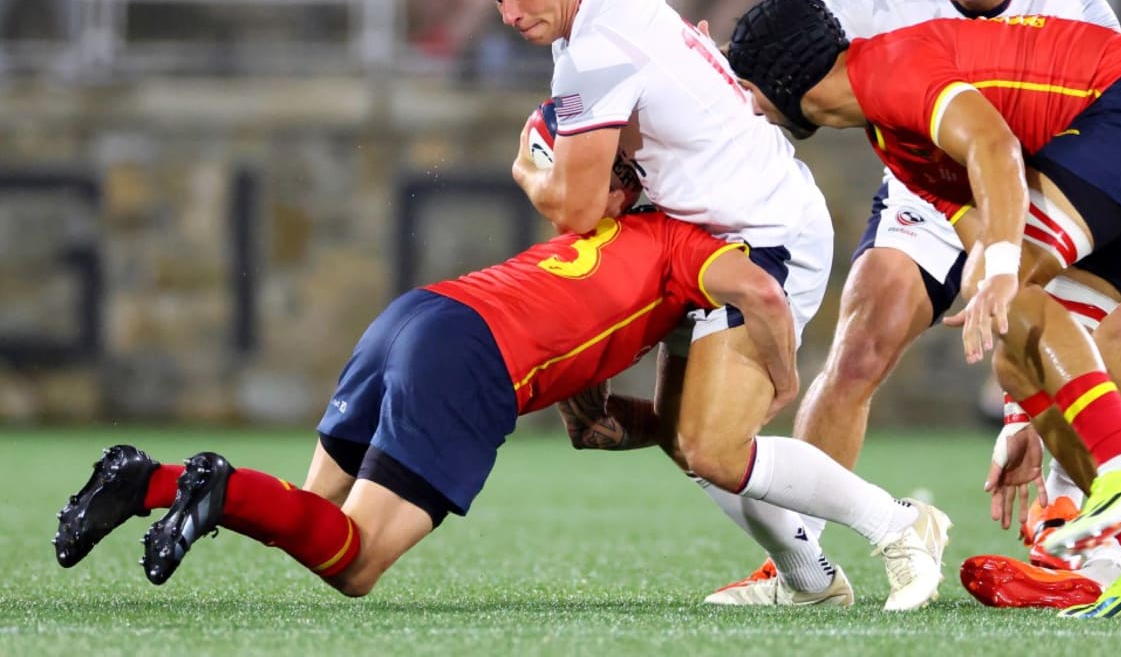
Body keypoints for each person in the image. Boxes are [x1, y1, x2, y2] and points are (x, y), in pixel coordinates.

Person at [54, 191, 945, 605]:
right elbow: (752, 289)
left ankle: (156, 479)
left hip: (415, 315)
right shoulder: (687, 243)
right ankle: (208, 483)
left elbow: (606, 414)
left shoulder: (599, 232)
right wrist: (784, 378)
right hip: (467, 360)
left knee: (311, 513)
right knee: (356, 565)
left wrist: (636, 420)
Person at [696, 0, 1121, 608]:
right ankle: (800, 563)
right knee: (859, 344)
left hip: (1031, 182)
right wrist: (707, 69)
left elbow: (1082, 129)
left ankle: (1069, 506)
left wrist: (1007, 258)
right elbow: (790, 45)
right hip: (929, 193)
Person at [467, 0, 950, 610]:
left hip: (763, 234)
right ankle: (809, 582)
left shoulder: (596, 46)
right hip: (715, 233)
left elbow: (575, 207)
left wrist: (527, 169)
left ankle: (901, 525)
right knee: (683, 437)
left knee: (714, 447)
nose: (509, 14)